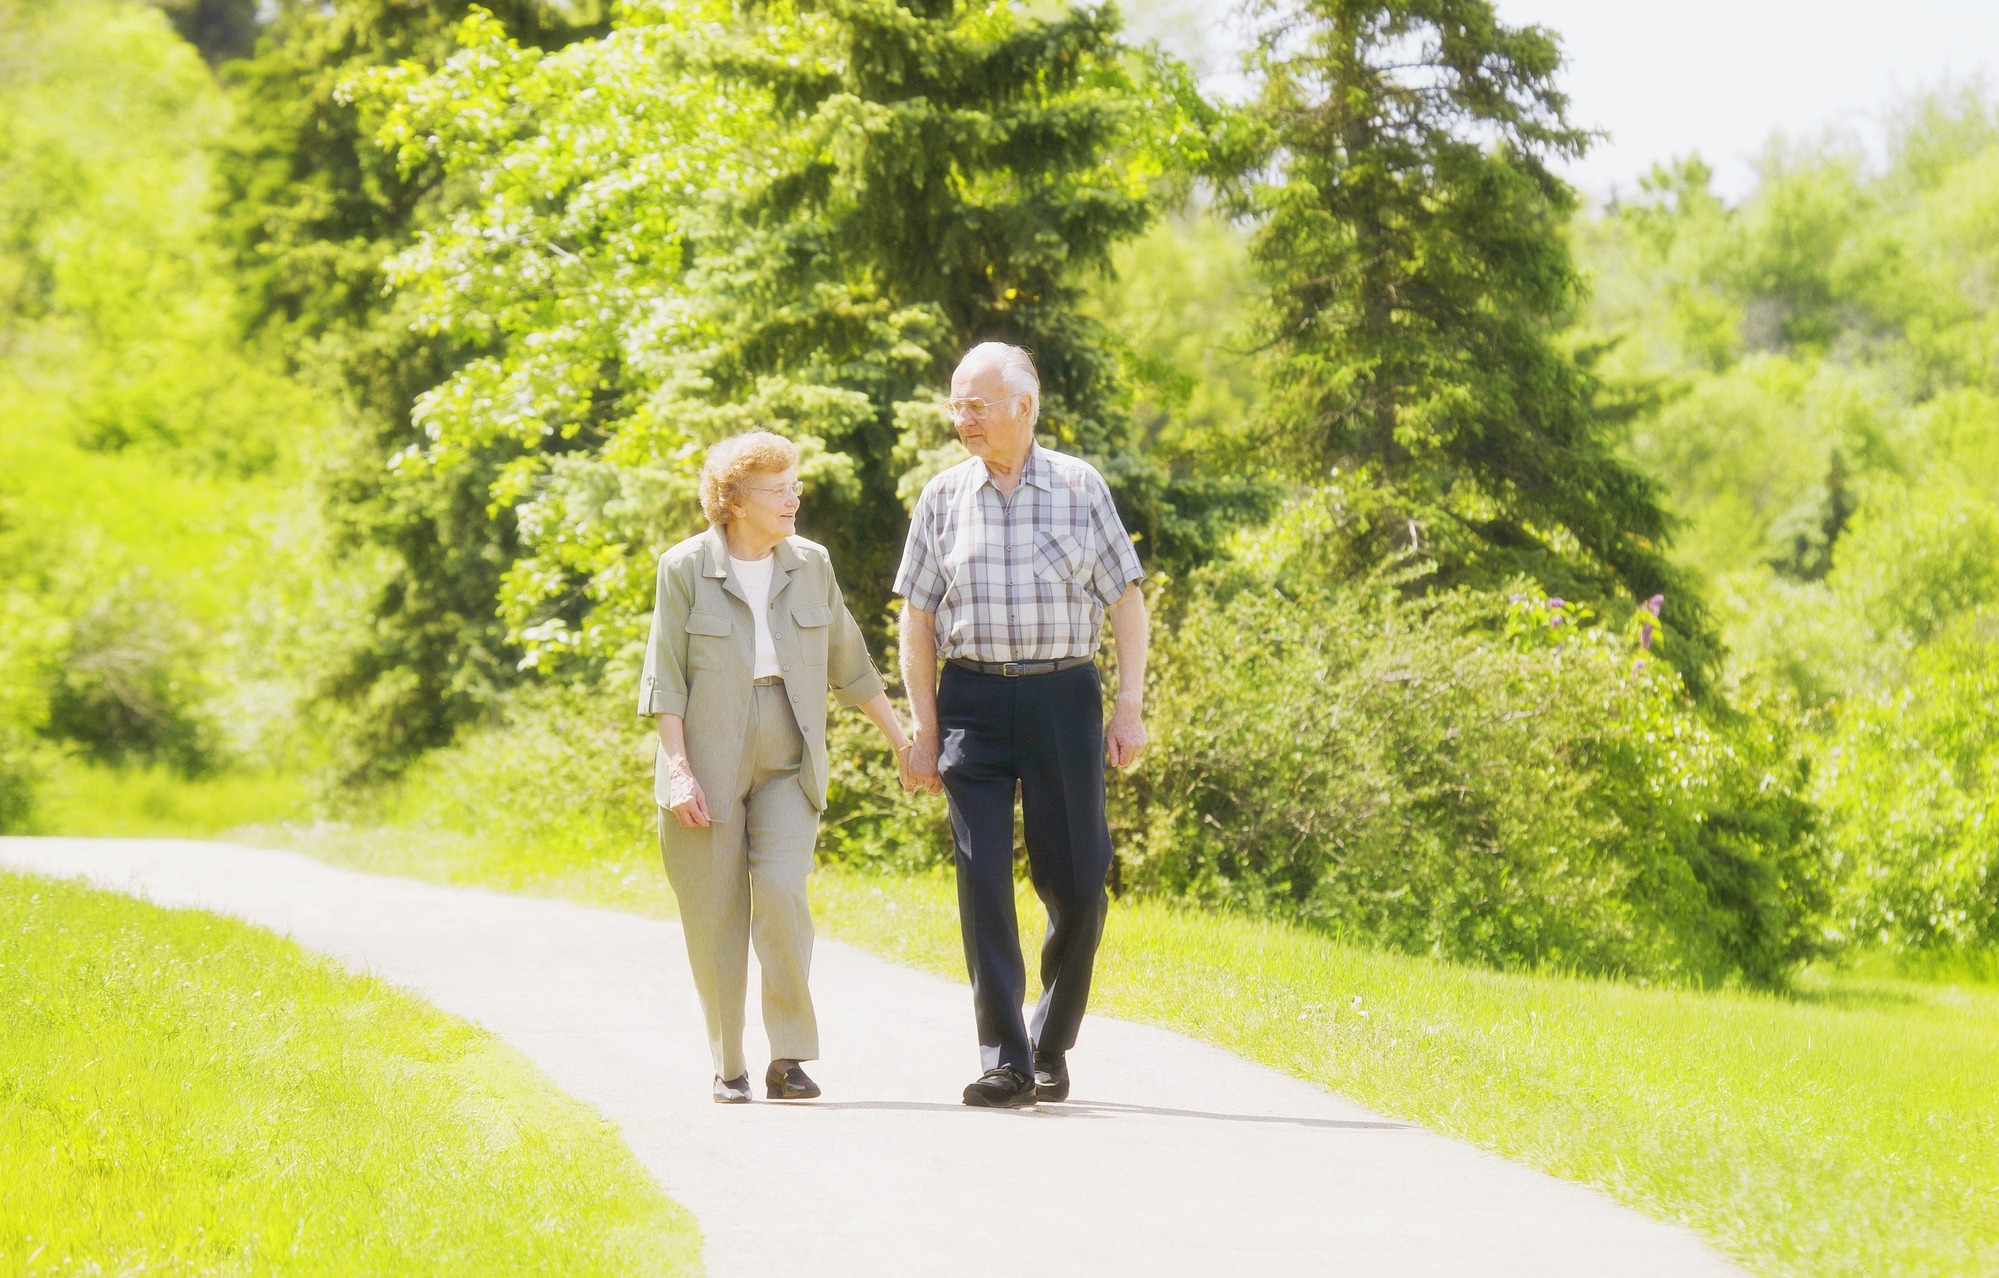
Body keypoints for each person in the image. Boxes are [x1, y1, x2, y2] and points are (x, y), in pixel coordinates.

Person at [895, 342, 1149, 1108]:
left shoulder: (1079, 487)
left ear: (1022, 408)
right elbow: (917, 617)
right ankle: (1003, 1056)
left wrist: (1128, 706)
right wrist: (923, 726)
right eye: (955, 403)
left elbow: (1125, 601)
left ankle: (1049, 1041)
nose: (960, 417)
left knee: (1077, 881)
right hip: (970, 697)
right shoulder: (942, 497)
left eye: (975, 404)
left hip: (1061, 696)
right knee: (980, 878)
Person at [638, 429, 915, 1104]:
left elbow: (848, 660)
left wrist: (901, 741)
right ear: (732, 499)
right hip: (706, 754)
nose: (795, 497)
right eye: (779, 487)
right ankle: (727, 1062)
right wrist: (679, 770)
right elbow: (664, 680)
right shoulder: (683, 568)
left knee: (784, 894)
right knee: (714, 914)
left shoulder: (809, 563)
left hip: (790, 753)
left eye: (795, 483)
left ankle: (787, 1056)